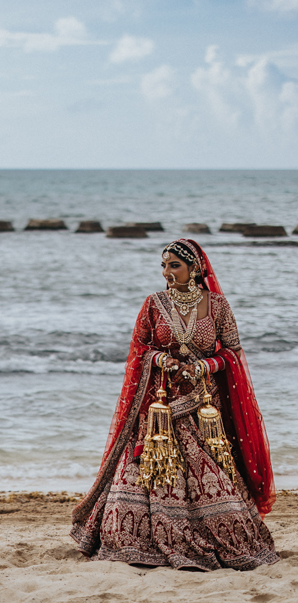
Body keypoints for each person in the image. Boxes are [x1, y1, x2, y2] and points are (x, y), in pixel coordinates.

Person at [71, 238, 277, 570]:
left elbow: (233, 351)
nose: (167, 273)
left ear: (195, 268)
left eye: (174, 265)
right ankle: (140, 540)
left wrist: (205, 366)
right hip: (160, 407)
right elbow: (139, 349)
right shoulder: (154, 304)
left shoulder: (218, 305)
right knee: (149, 467)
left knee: (210, 473)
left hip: (202, 407)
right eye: (163, 266)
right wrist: (162, 362)